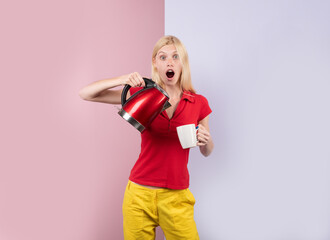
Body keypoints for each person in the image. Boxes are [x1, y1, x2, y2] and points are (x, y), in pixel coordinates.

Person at [79, 35, 214, 240]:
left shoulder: (198, 102)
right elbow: (86, 94)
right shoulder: (143, 94)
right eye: (163, 57)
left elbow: (207, 151)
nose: (169, 62)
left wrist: (206, 140)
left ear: (182, 63)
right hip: (139, 195)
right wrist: (122, 80)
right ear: (155, 63)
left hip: (176, 197)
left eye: (176, 56)